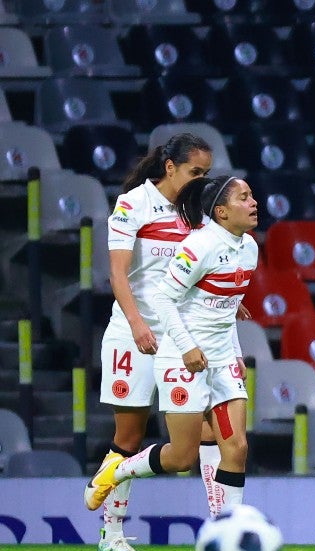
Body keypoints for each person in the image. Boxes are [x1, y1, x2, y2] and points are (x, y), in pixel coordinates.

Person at [85, 175, 260, 523]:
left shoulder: (250, 248)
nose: (254, 203)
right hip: (183, 358)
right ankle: (115, 472)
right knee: (182, 458)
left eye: (252, 196)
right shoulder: (199, 246)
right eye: (245, 197)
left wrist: (235, 352)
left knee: (237, 448)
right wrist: (187, 347)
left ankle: (229, 531)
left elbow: (227, 309)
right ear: (222, 212)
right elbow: (164, 298)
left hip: (221, 359)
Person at [93, 135, 236, 551]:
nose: (201, 181)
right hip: (133, 334)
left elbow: (210, 260)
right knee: (129, 436)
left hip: (184, 336)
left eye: (206, 174)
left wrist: (230, 298)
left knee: (209, 429)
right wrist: (137, 324)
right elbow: (118, 275)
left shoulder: (196, 210)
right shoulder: (132, 204)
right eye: (195, 172)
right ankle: (112, 534)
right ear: (169, 167)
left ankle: (219, 527)